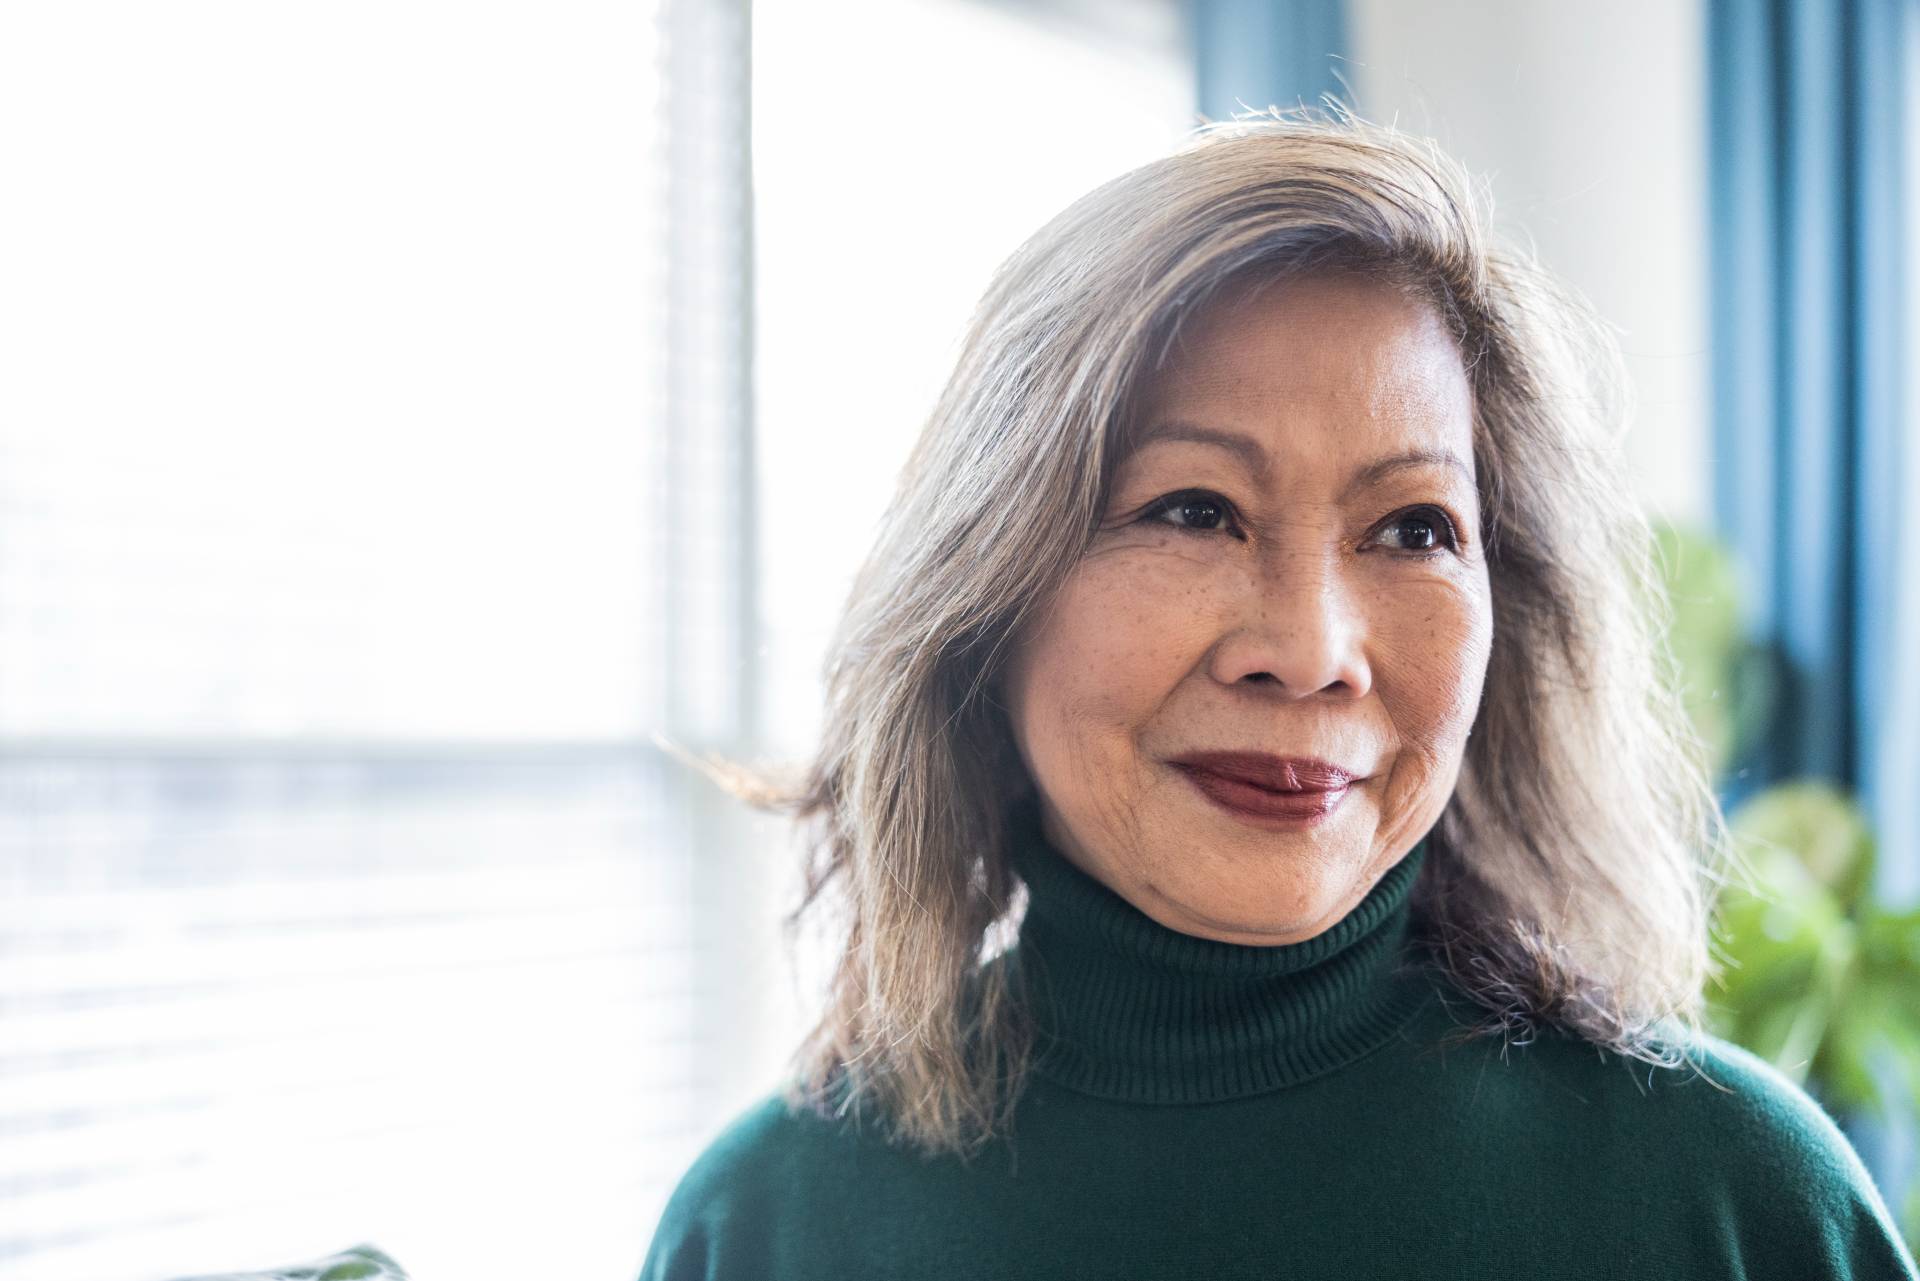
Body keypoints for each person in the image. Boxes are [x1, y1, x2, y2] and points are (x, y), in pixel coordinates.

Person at [639, 108, 1920, 1279]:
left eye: (1414, 529)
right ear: (988, 593)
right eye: (1193, 511)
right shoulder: (767, 1229)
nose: (1310, 652)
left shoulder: (1736, 1204)